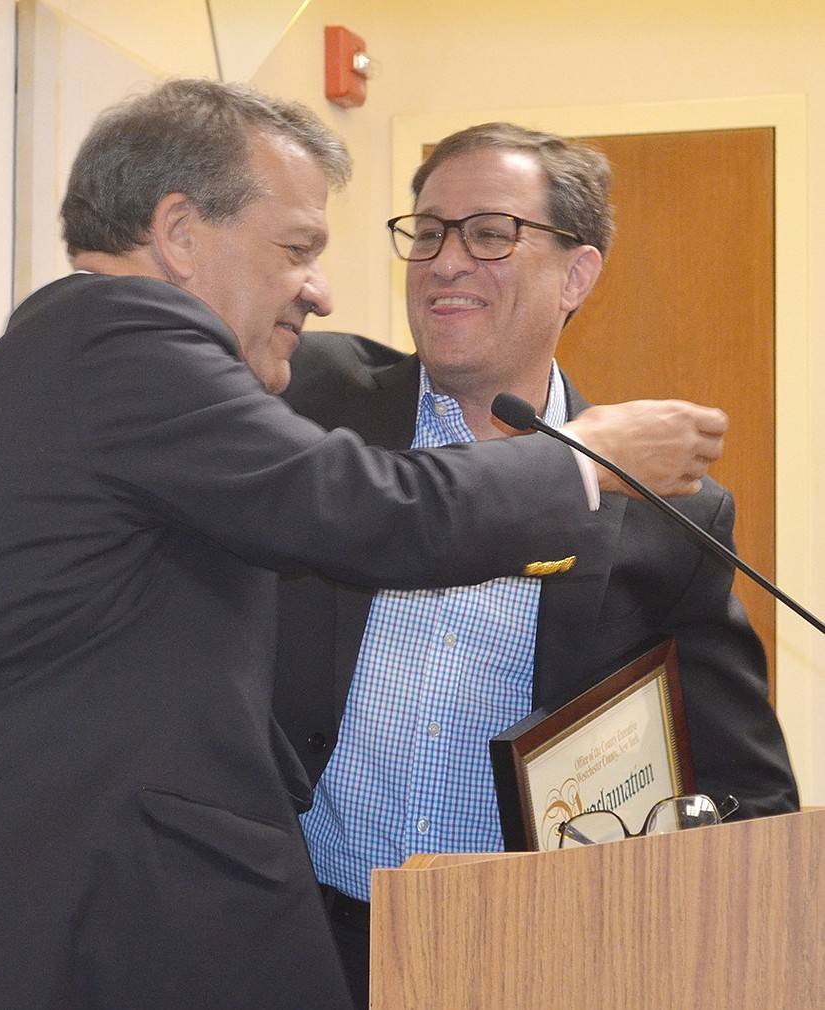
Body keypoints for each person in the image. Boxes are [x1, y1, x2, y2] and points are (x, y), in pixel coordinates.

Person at [0, 84, 726, 1010]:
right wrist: (586, 463)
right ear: (182, 233)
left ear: (578, 273)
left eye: (488, 235)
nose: (320, 287)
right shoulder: (136, 341)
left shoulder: (81, 346)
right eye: (299, 248)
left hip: (96, 913)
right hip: (36, 914)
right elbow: (370, 511)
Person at [271, 123, 799, 1006]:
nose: (445, 261)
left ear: (578, 274)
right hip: (284, 938)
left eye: (490, 233)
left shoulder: (665, 510)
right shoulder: (314, 399)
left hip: (513, 958)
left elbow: (746, 793)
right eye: (429, 231)